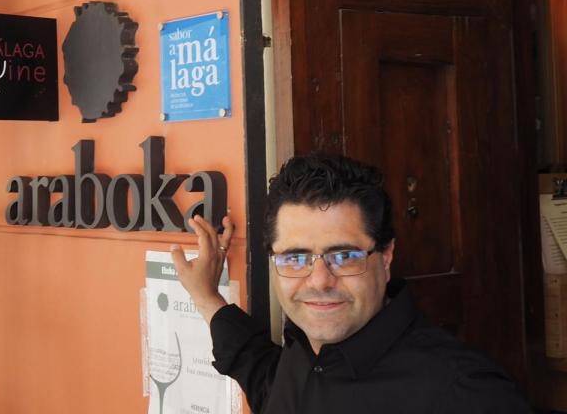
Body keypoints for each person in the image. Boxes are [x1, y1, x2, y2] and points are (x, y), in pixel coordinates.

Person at [170, 153, 532, 413]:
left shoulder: (466, 393)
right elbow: (263, 376)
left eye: (344, 256)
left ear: (386, 256)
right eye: (295, 258)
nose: (319, 281)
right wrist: (205, 296)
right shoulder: (300, 354)